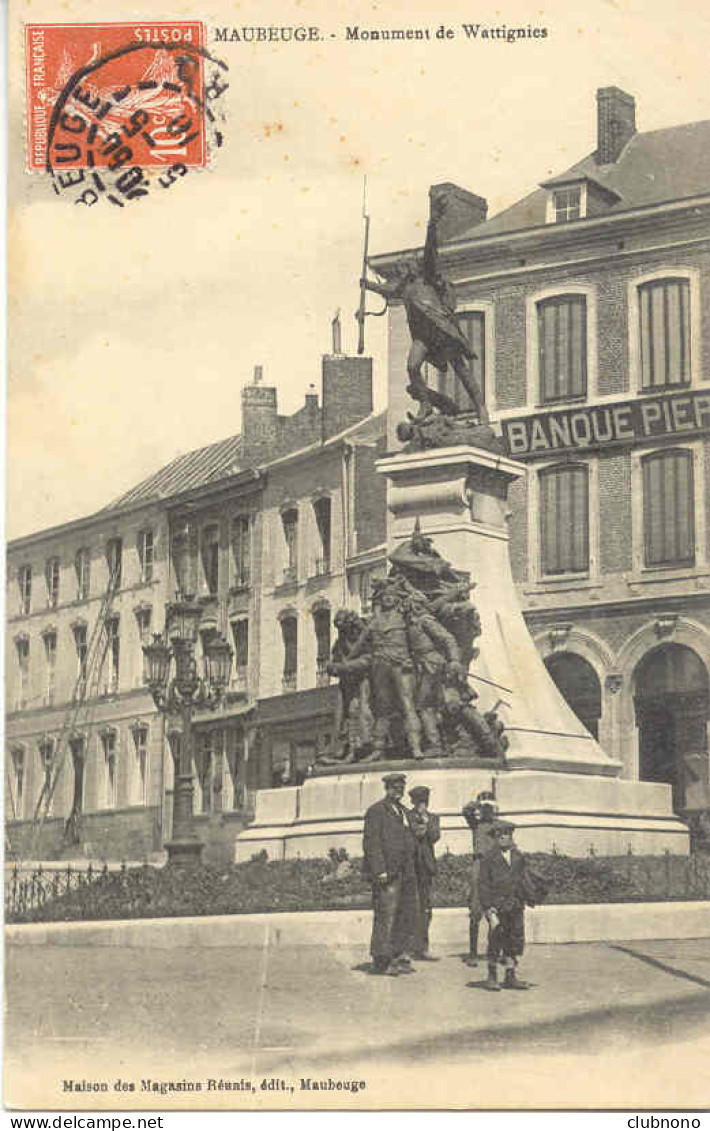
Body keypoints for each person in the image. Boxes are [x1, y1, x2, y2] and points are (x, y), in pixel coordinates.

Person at [360, 194, 488, 423]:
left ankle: (480, 408)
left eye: (403, 266)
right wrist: (367, 285)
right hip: (424, 338)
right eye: (398, 268)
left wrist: (433, 223)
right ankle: (426, 405)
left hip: (441, 330)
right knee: (412, 367)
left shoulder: (425, 278)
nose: (400, 270)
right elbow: (388, 290)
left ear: (412, 268)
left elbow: (430, 250)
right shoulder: (403, 288)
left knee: (461, 370)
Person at [362, 772, 418, 975]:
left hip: (406, 872)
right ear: (387, 788)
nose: (399, 791)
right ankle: (381, 960)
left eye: (401, 787)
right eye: (395, 787)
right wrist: (380, 870)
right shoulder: (377, 811)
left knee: (405, 914)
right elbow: (372, 843)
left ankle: (398, 956)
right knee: (387, 915)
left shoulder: (404, 811)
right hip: (389, 873)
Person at [478, 819, 533, 991]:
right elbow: (483, 884)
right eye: (499, 835)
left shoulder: (518, 857)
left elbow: (525, 879)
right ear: (495, 838)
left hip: (515, 904)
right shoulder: (489, 858)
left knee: (514, 939)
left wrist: (530, 896)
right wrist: (488, 908)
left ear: (511, 837)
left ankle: (510, 975)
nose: (503, 837)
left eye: (506, 834)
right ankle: (491, 976)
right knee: (496, 939)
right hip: (497, 906)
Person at [461, 790, 499, 966]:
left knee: (496, 912)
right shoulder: (475, 824)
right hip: (478, 865)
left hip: (494, 868)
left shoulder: (500, 826)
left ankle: (494, 952)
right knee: (475, 911)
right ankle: (473, 953)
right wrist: (480, 804)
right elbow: (466, 810)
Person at [407, 785, 441, 960]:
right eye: (419, 801)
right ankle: (407, 948)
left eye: (424, 801)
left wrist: (426, 821)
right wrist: (420, 822)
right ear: (413, 801)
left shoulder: (433, 818)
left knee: (426, 908)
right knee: (410, 906)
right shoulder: (407, 816)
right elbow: (416, 833)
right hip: (411, 865)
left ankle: (422, 947)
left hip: (425, 867)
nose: (422, 804)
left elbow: (434, 836)